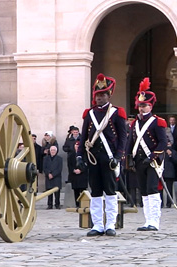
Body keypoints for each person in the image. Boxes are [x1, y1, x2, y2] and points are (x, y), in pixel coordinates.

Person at [76, 73, 127, 237]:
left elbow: (123, 137)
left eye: (103, 95)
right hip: (93, 157)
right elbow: (84, 137)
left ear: (108, 95)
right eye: (97, 95)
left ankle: (110, 224)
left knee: (110, 191)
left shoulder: (117, 113)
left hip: (109, 157)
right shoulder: (89, 114)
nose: (99, 98)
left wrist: (118, 157)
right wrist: (79, 156)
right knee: (96, 191)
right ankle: (97, 224)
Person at [126, 77, 167, 231]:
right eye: (140, 105)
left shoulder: (158, 122)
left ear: (151, 106)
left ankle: (154, 221)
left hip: (153, 161)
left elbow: (162, 142)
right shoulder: (135, 123)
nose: (141, 108)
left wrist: (152, 156)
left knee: (152, 189)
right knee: (143, 190)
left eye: (145, 105)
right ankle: (147, 220)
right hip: (139, 160)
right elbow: (130, 141)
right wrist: (128, 158)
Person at [67, 141, 88, 207]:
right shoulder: (71, 155)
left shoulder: (85, 155)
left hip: (82, 176)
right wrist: (74, 170)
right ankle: (77, 204)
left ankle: (83, 204)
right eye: (76, 146)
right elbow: (69, 165)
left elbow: (86, 164)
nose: (77, 147)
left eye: (78, 146)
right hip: (74, 176)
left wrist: (81, 170)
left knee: (83, 191)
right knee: (76, 191)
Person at [161, 139, 177, 208]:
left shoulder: (174, 152)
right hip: (161, 172)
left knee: (169, 189)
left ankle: (169, 203)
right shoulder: (162, 152)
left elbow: (176, 161)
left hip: (170, 172)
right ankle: (161, 203)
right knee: (160, 188)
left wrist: (170, 155)